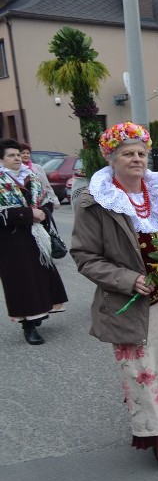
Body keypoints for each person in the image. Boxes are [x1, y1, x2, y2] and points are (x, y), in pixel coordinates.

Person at [70, 123, 158, 472]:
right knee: (141, 370)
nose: (137, 159)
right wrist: (129, 279)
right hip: (129, 301)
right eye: (128, 153)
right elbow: (85, 257)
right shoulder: (95, 202)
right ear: (111, 158)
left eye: (141, 153)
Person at [0, 138, 67, 345]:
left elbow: (46, 201)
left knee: (39, 277)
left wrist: (43, 213)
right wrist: (29, 214)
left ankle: (38, 313)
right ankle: (27, 325)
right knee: (22, 282)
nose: (17, 158)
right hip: (12, 241)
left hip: (36, 236)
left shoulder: (31, 176)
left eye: (18, 155)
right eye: (11, 155)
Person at [19, 142, 60, 208]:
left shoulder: (37, 167)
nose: (26, 155)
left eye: (28, 153)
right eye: (23, 153)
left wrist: (55, 200)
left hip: (41, 201)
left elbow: (46, 185)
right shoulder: (17, 169)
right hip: (27, 203)